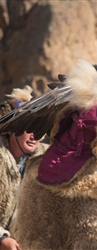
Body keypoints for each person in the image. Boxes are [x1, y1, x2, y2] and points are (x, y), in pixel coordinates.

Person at [0, 87, 49, 250]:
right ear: (11, 129)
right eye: (28, 128)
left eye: (38, 128)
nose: (34, 135)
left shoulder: (42, 156)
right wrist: (1, 238)